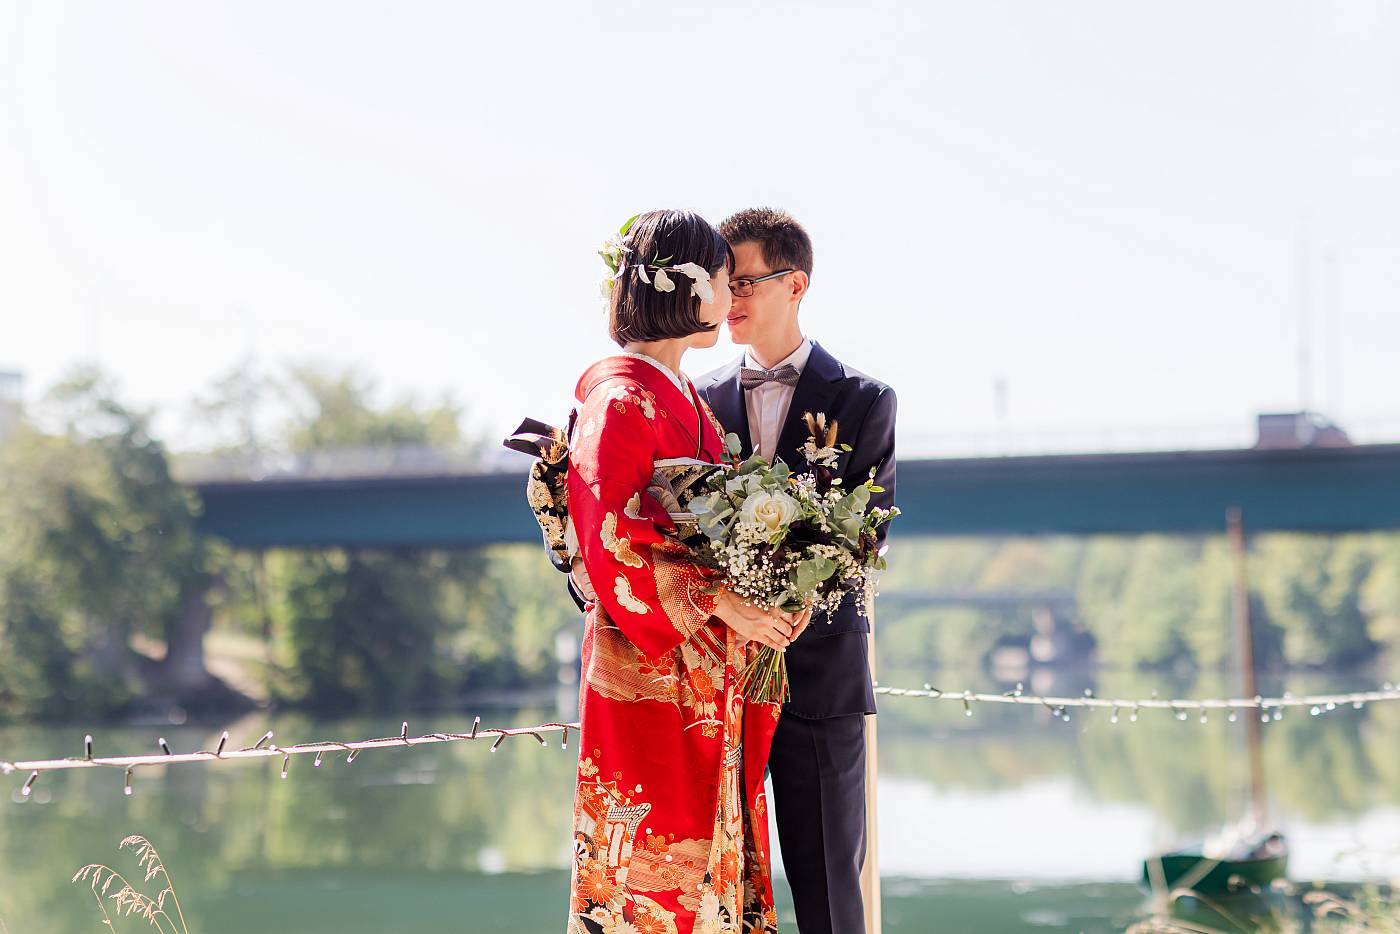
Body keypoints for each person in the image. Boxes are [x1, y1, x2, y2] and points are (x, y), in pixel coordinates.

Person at [564, 209, 810, 934]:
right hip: (651, 669)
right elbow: (609, 535)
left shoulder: (682, 397)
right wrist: (724, 602)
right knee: (651, 862)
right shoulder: (619, 399)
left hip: (705, 672)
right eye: (724, 281)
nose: (732, 297)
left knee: (709, 867)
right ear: (688, 288)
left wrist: (769, 594)